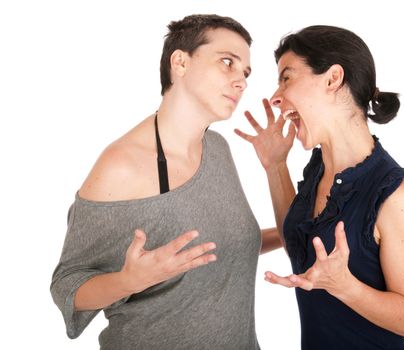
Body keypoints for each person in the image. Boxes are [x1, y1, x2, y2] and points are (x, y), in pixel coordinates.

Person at [51, 14, 281, 350]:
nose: (241, 81)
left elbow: (215, 247)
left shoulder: (218, 149)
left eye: (245, 73)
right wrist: (128, 280)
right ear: (180, 62)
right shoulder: (121, 165)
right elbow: (66, 286)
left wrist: (290, 235)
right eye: (227, 63)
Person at [236, 25, 404, 350]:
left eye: (287, 77)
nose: (275, 96)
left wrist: (346, 287)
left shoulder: (397, 193)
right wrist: (275, 167)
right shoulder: (318, 168)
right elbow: (299, 244)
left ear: (332, 78)